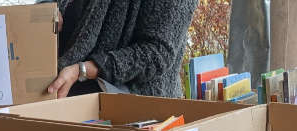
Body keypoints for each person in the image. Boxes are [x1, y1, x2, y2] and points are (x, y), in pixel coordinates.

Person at [45, 0, 199, 99]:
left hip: (133, 107)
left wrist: (83, 70)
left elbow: (156, 53)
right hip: (69, 88)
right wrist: (55, 7)